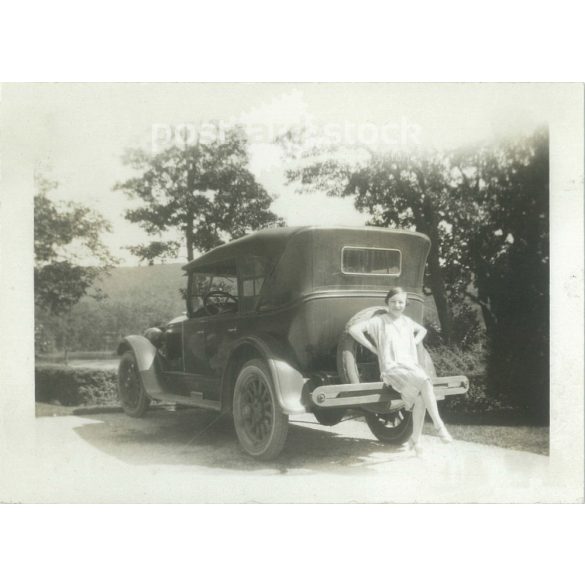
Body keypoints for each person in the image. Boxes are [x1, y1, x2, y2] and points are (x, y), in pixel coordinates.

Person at [348, 286, 452, 455]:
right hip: (392, 369)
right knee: (425, 382)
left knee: (420, 398)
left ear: (405, 304)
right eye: (393, 302)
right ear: (387, 303)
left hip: (410, 365)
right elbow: (353, 330)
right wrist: (374, 348)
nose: (397, 305)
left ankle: (416, 441)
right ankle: (439, 425)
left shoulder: (406, 322)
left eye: (401, 302)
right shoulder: (379, 321)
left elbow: (423, 330)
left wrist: (414, 341)